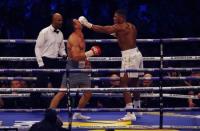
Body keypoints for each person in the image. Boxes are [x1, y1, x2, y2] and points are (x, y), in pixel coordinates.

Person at [78, 9, 143, 121]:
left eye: (115, 16)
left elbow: (103, 29)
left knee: (123, 83)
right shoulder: (131, 26)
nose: (113, 18)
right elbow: (123, 36)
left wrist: (87, 24)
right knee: (134, 83)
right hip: (137, 54)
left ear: (121, 17)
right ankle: (137, 108)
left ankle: (130, 113)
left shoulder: (120, 26)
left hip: (129, 56)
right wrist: (115, 32)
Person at [49, 19, 101, 120]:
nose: (80, 22)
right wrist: (91, 52)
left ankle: (77, 113)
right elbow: (75, 57)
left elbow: (82, 55)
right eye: (77, 21)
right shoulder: (73, 38)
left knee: (88, 93)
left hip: (82, 68)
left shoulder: (81, 35)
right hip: (73, 68)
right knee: (62, 92)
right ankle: (50, 115)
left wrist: (87, 62)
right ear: (75, 26)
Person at [34, 13, 67, 107]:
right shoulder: (44, 32)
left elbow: (61, 48)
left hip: (55, 61)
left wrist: (64, 55)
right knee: (40, 85)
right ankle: (33, 106)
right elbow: (37, 48)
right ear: (53, 21)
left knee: (58, 85)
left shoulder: (60, 33)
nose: (61, 22)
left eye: (61, 20)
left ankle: (58, 106)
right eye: (59, 20)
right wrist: (40, 63)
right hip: (44, 61)